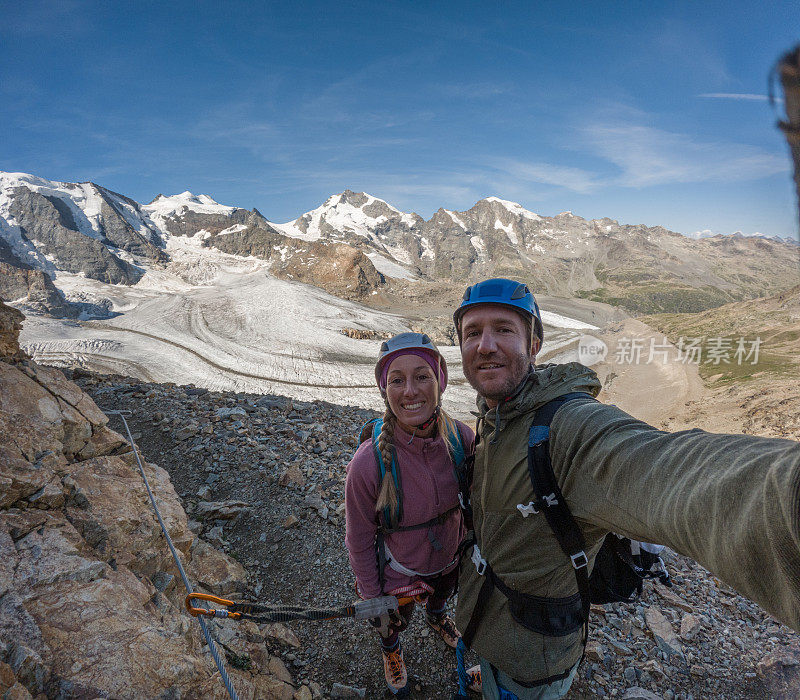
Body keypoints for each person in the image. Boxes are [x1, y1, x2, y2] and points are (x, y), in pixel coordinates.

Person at [451, 278, 800, 700]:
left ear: (535, 344)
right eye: (472, 332)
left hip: (533, 659)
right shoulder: (495, 419)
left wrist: (786, 496)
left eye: (504, 329)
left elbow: (666, 469)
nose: (485, 345)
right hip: (491, 630)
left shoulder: (567, 429)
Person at [344, 332, 478, 696]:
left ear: (440, 382)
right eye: (397, 380)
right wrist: (373, 598)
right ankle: (391, 649)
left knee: (441, 597)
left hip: (449, 559)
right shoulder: (368, 464)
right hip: (398, 571)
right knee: (391, 622)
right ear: (384, 390)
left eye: (422, 376)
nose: (410, 391)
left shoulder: (462, 439)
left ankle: (437, 618)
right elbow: (359, 539)